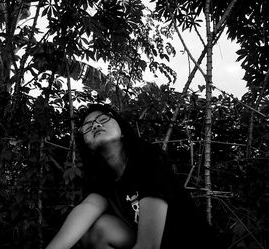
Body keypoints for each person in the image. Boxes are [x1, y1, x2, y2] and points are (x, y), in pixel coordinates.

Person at [45, 104, 219, 249]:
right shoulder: (103, 182)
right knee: (99, 228)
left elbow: (148, 245)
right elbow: (86, 210)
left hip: (191, 244)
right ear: (87, 145)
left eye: (103, 119)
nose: (96, 125)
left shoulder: (148, 159)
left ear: (121, 130)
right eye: (88, 127)